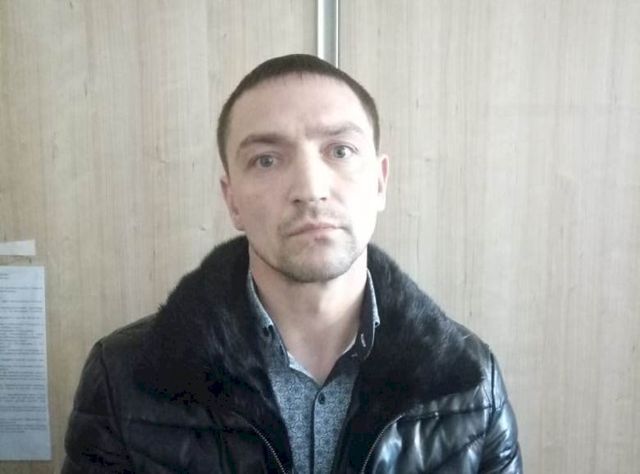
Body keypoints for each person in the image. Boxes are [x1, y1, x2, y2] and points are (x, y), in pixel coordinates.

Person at [63, 54, 522, 473]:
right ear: (232, 201)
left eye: (340, 151)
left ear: (380, 183)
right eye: (266, 160)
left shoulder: (470, 381)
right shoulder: (123, 377)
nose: (310, 189)